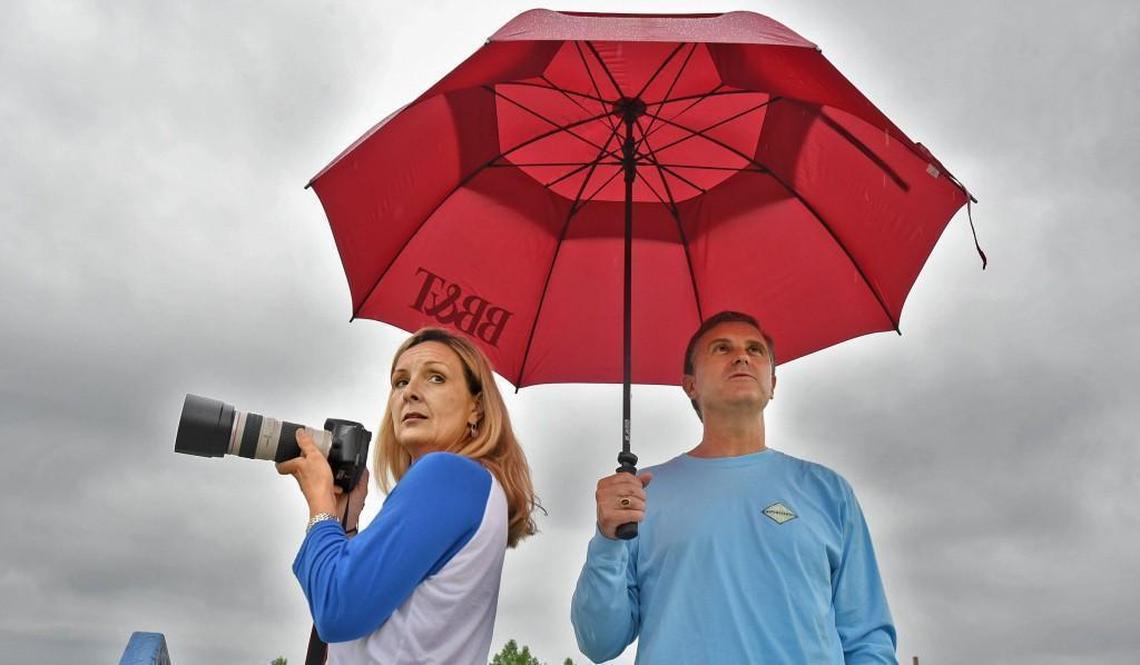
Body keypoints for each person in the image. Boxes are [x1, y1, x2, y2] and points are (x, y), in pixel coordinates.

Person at [570, 311, 897, 664]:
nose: (742, 356)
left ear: (773, 384)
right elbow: (598, 641)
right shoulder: (639, 496)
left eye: (755, 350)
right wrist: (607, 540)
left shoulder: (828, 493)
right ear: (690, 385)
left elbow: (867, 639)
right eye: (721, 348)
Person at [277, 327, 539, 665]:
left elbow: (337, 610)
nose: (410, 392)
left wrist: (320, 505)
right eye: (400, 381)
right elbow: (395, 627)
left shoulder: (448, 474)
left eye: (436, 378)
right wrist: (346, 523)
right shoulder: (474, 486)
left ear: (477, 407)